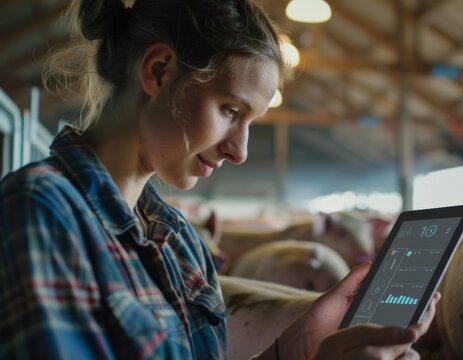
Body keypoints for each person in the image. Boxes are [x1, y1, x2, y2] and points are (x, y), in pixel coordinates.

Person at [0, 0, 440, 359]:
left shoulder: (183, 244)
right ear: (158, 71)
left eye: (250, 122)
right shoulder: (41, 211)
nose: (240, 150)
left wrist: (299, 345)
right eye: (230, 110)